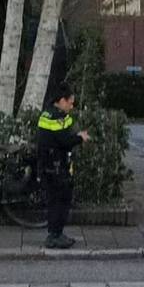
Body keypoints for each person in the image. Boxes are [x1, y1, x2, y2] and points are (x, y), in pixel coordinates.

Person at [35, 82, 90, 249]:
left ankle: (57, 233)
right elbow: (64, 140)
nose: (72, 106)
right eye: (70, 102)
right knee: (60, 201)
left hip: (52, 166)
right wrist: (80, 138)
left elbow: (64, 134)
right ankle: (55, 235)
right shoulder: (55, 118)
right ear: (61, 100)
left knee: (57, 200)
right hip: (55, 168)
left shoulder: (49, 114)